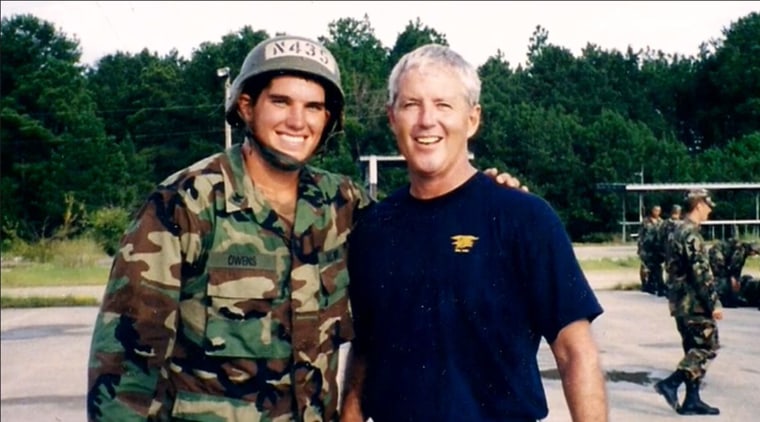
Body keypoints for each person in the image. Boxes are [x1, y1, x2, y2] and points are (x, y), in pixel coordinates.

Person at [86, 35, 524, 421]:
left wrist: (482, 193)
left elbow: (421, 219)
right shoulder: (186, 204)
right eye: (281, 102)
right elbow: (124, 365)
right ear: (246, 106)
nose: (298, 121)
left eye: (314, 107)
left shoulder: (344, 206)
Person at [340, 44, 608, 422]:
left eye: (443, 105)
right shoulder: (373, 228)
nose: (426, 120)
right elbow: (366, 349)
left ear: (472, 119)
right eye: (411, 104)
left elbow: (574, 352)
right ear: (391, 117)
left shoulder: (524, 217)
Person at [655, 188, 722, 415]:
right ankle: (670, 383)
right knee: (707, 346)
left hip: (679, 302)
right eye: (708, 206)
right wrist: (714, 304)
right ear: (699, 205)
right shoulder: (691, 234)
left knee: (692, 349)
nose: (710, 211)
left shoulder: (675, 230)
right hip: (694, 303)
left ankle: (692, 400)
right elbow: (701, 274)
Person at [709, 236, 760, 307]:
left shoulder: (742, 249)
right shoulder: (741, 251)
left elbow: (738, 267)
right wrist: (733, 279)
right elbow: (733, 266)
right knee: (723, 278)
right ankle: (723, 299)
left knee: (727, 278)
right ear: (752, 251)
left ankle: (723, 297)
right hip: (717, 255)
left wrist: (736, 279)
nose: (754, 255)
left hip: (719, 254)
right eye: (755, 253)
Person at [638, 204, 665, 295]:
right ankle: (645, 284)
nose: (657, 212)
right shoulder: (646, 222)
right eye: (655, 210)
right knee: (645, 267)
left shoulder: (661, 222)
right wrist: (640, 248)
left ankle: (656, 284)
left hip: (656, 249)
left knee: (657, 267)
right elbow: (641, 236)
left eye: (658, 211)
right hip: (647, 248)